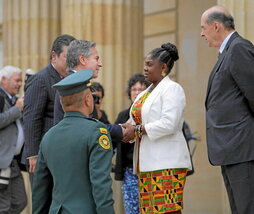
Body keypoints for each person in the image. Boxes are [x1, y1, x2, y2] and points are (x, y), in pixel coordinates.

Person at [32, 70, 114, 214]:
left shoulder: (49, 136)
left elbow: (40, 189)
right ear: (88, 100)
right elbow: (101, 186)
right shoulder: (96, 131)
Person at [201, 5, 254, 214]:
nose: (201, 33)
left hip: (242, 147)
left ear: (216, 26)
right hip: (231, 149)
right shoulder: (227, 52)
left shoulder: (239, 48)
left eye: (203, 28)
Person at [128, 43, 192, 214]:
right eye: (145, 64)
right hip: (147, 164)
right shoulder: (144, 93)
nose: (145, 68)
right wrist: (123, 130)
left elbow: (169, 123)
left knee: (167, 211)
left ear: (163, 67)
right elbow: (133, 123)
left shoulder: (173, 89)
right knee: (149, 211)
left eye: (149, 64)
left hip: (167, 164)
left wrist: (137, 130)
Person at [54, 39, 134, 142]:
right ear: (82, 59)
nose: (100, 64)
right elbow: (88, 127)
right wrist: (120, 130)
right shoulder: (73, 85)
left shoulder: (76, 82)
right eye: (96, 59)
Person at [22, 34, 76, 180]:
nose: (72, 63)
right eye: (67, 57)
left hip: (62, 153)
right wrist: (33, 154)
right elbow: (31, 119)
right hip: (41, 156)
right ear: (54, 56)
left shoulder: (70, 80)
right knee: (44, 202)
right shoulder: (40, 80)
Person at [113, 73, 150, 214]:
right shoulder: (123, 115)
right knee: (132, 208)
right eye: (134, 89)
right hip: (129, 170)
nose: (137, 92)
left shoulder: (151, 113)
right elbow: (114, 141)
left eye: (141, 89)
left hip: (149, 168)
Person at [0, 65, 27, 213]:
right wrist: (17, 109)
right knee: (3, 206)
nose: (20, 84)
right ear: (3, 80)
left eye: (21, 81)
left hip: (13, 162)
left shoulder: (16, 100)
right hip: (1, 162)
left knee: (20, 200)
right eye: (17, 80)